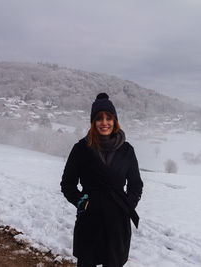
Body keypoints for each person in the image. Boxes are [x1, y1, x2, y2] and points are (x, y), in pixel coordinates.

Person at [60, 92, 143, 267]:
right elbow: (67, 184)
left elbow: (136, 184)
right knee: (87, 262)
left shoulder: (127, 150)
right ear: (93, 122)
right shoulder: (81, 149)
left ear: (115, 120)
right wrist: (81, 201)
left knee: (114, 262)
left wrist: (128, 205)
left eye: (108, 118)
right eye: (99, 118)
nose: (104, 123)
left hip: (117, 221)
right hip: (90, 218)